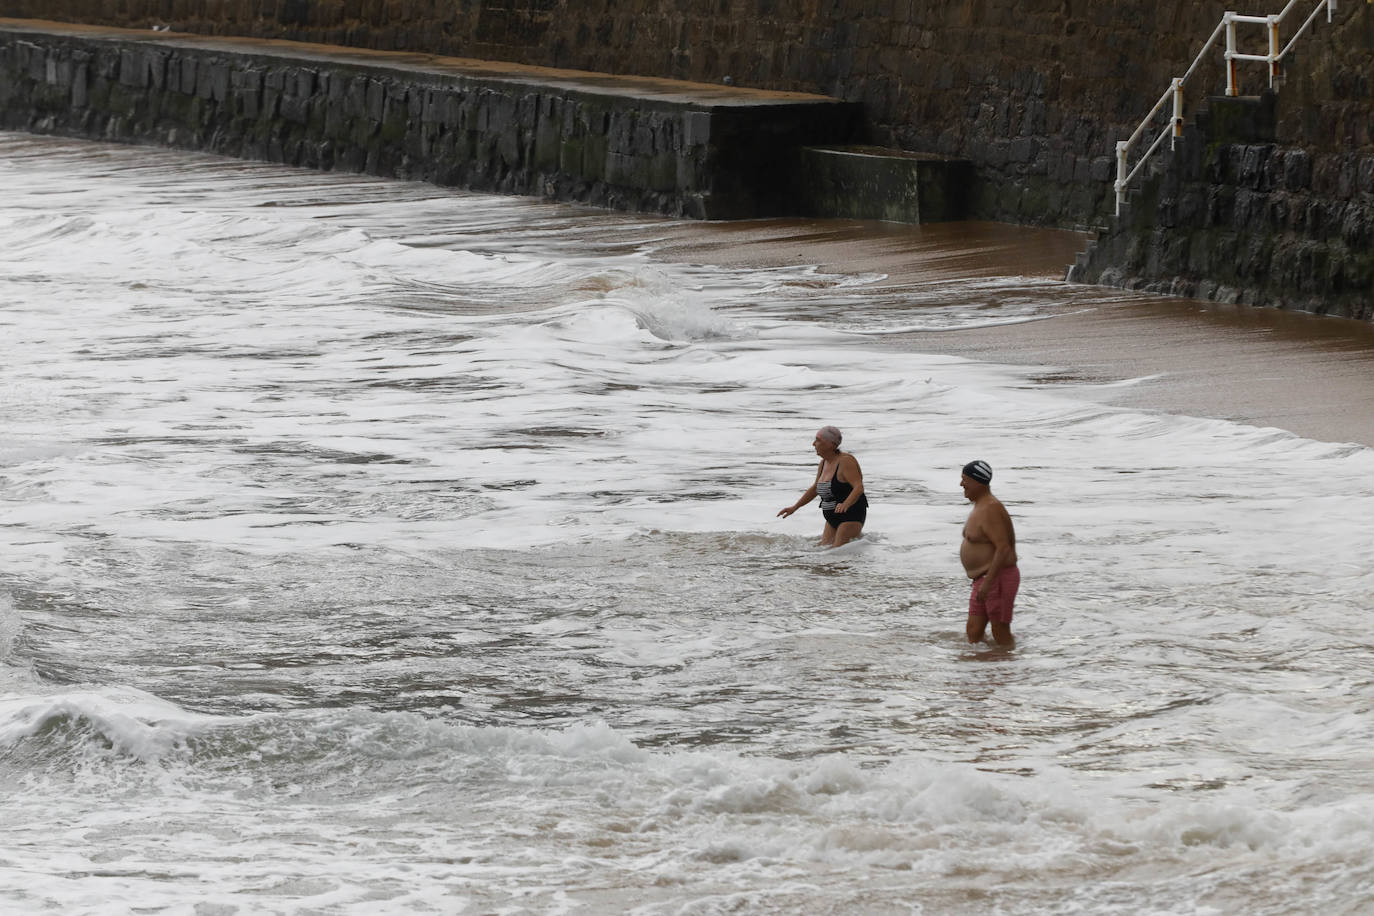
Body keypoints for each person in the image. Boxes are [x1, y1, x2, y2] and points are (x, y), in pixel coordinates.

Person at [959, 460, 1019, 648]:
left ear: (978, 482)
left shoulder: (991, 508)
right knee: (973, 632)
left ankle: (1011, 670)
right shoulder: (981, 505)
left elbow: (1003, 548)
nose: (961, 484)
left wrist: (989, 583)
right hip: (984, 580)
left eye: (964, 480)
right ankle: (987, 671)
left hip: (996, 578)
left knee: (1000, 632)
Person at [777, 426, 868, 547]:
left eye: (818, 440)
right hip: (832, 517)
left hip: (851, 515)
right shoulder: (823, 463)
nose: (813, 444)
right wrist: (794, 507)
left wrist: (845, 504)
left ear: (831, 444)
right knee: (825, 552)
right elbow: (815, 488)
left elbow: (859, 487)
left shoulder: (846, 461)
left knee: (837, 555)